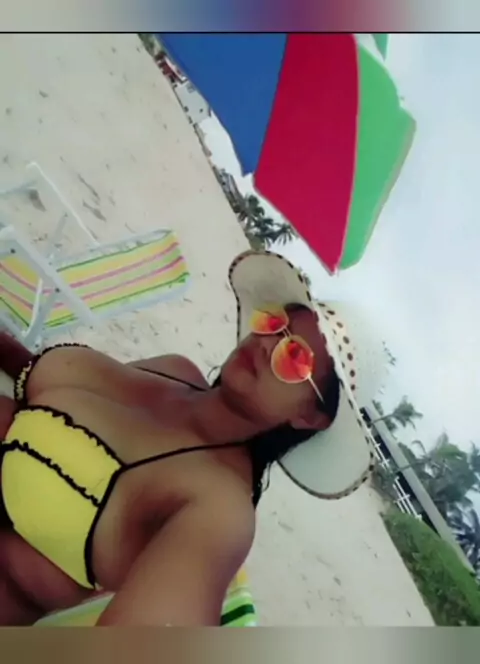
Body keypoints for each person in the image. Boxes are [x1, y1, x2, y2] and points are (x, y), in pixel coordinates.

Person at [0, 249, 384, 627]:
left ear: (308, 416)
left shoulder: (219, 507)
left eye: (295, 356)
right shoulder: (175, 369)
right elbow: (47, 393)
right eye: (275, 323)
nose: (267, 343)